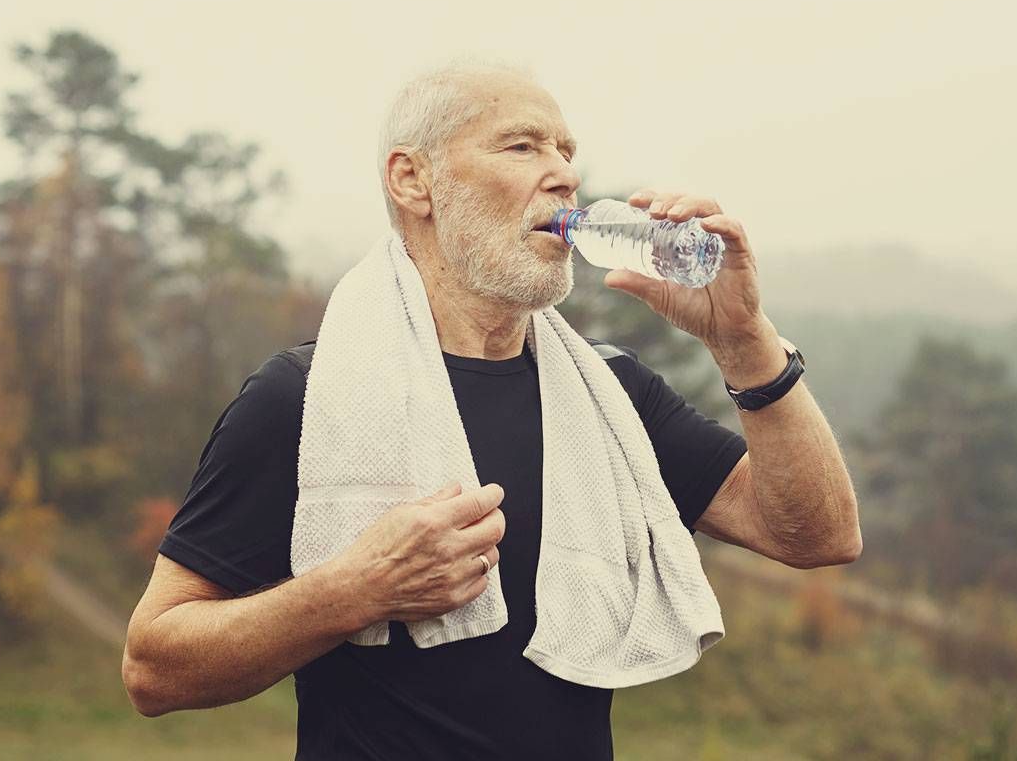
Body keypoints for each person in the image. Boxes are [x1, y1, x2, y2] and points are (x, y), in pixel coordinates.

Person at [121, 59, 862, 760]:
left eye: (568, 153)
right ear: (414, 181)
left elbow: (816, 533)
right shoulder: (303, 397)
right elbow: (153, 668)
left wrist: (744, 342)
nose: (566, 174)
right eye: (522, 145)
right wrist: (353, 590)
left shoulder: (610, 395)